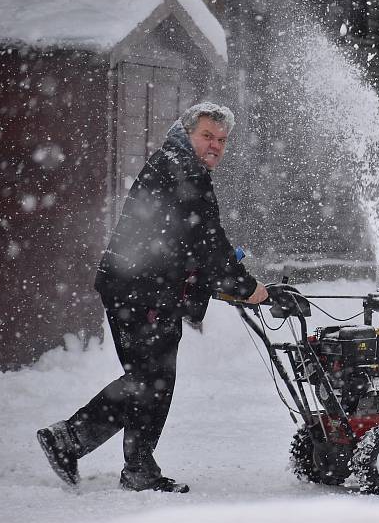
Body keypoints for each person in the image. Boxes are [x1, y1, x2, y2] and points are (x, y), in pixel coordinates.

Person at [37, 103, 269, 493]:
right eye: (208, 136)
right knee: (151, 381)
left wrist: (222, 275)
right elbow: (208, 241)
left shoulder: (176, 163)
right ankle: (71, 440)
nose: (215, 146)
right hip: (142, 291)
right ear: (188, 132)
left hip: (140, 287)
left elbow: (192, 242)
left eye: (222, 140)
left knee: (149, 380)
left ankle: (125, 462)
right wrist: (247, 288)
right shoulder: (183, 170)